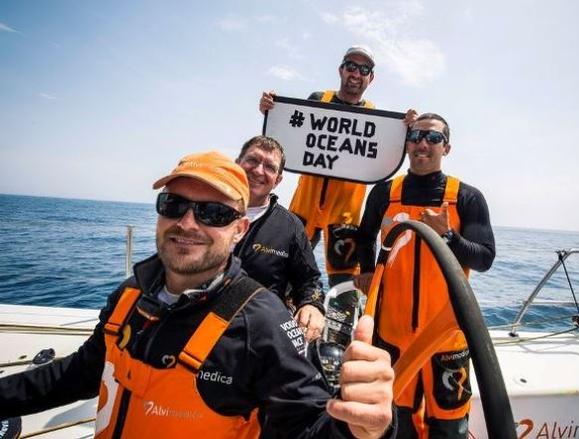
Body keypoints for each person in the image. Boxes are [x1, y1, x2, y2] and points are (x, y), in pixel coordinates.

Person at [0, 151, 396, 438]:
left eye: (214, 214)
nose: (187, 222)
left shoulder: (262, 326)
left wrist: (362, 429)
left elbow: (307, 425)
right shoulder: (129, 296)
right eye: (174, 205)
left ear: (239, 229)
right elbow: (80, 374)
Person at [355, 113, 496, 438]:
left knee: (449, 427)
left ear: (446, 148)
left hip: (446, 338)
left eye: (433, 138)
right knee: (393, 424)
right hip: (391, 335)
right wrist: (364, 271)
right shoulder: (384, 192)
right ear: (407, 143)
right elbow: (363, 237)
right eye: (417, 136)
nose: (423, 143)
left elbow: (485, 258)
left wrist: (449, 237)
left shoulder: (466, 197)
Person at [259, 45, 380, 287]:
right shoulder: (317, 100)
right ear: (341, 70)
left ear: (371, 77)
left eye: (364, 69)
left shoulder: (376, 118)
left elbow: (391, 150)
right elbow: (292, 135)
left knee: (344, 287)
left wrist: (408, 126)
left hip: (345, 213)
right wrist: (272, 112)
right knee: (282, 274)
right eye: (351, 66)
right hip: (304, 205)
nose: (356, 73)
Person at [234, 135, 325, 341]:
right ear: (237, 164)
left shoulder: (291, 226)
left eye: (269, 167)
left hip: (260, 334)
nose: (258, 170)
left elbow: (310, 280)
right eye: (252, 160)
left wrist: (312, 305)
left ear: (278, 180)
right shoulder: (202, 210)